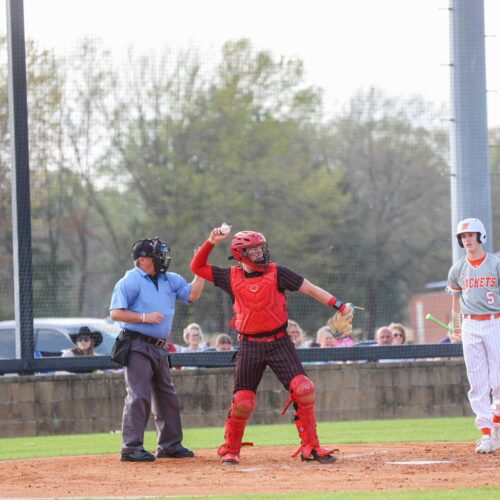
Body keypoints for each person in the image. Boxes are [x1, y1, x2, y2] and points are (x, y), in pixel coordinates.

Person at [190, 226, 352, 465]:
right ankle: (230, 450)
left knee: (304, 388)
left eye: (260, 248)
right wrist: (211, 241)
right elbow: (197, 267)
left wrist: (339, 304)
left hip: (279, 342)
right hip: (249, 346)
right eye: (253, 249)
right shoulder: (230, 276)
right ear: (240, 254)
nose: (260, 253)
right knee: (243, 401)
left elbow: (310, 288)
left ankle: (311, 447)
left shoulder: (277, 272)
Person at [109, 236, 205, 462]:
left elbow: (193, 294)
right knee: (139, 395)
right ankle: (131, 448)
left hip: (160, 347)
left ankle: (170, 445)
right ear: (142, 260)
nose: (162, 258)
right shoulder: (130, 280)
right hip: (137, 344)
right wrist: (144, 317)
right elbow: (116, 312)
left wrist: (200, 269)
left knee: (166, 395)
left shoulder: (169, 279)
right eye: (156, 255)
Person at [447, 218, 500, 454]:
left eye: (470, 235)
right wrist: (456, 326)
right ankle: (486, 434)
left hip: (495, 321)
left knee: (498, 380)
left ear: (481, 236)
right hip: (470, 324)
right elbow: (455, 301)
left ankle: (497, 426)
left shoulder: (495, 264)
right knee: (477, 381)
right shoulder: (457, 269)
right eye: (463, 237)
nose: (467, 240)